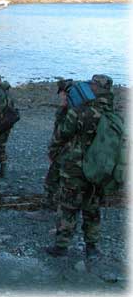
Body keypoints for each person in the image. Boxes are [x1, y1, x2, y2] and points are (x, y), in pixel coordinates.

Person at [46, 74, 114, 258]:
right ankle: (91, 247)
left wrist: (52, 153)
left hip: (75, 168)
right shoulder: (113, 115)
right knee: (92, 208)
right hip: (100, 169)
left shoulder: (81, 111)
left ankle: (61, 246)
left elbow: (61, 135)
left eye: (92, 84)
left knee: (68, 206)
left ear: (95, 88)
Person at [45, 79, 74, 209]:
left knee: (52, 181)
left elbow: (60, 134)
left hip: (64, 152)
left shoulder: (67, 111)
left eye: (61, 94)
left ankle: (50, 209)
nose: (60, 97)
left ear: (64, 93)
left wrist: (52, 152)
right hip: (74, 152)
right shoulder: (81, 108)